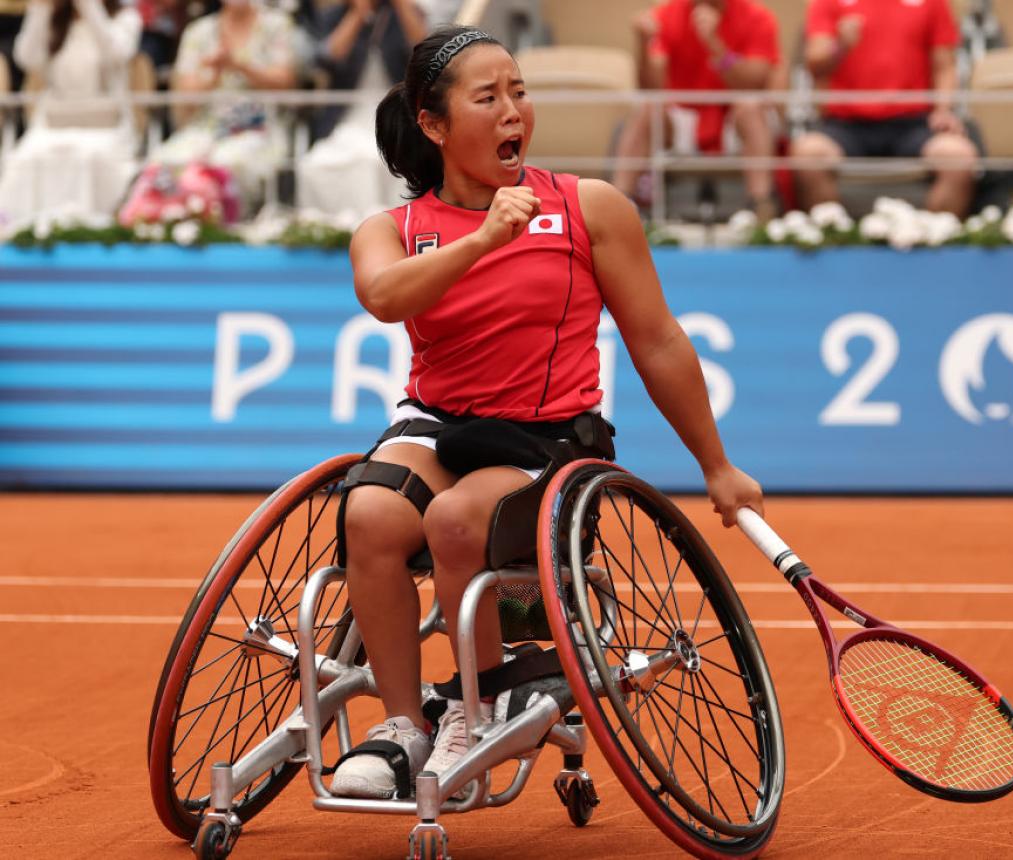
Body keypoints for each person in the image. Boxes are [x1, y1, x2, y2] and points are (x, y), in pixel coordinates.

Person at [329, 25, 764, 800]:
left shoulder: (587, 206)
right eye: (488, 97)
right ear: (432, 124)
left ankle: (480, 705)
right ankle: (403, 725)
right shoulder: (390, 230)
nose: (512, 113)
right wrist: (487, 236)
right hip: (437, 425)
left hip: (546, 438)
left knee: (457, 523)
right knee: (368, 514)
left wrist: (717, 465)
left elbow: (658, 340)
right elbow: (383, 298)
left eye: (519, 93)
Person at [791, 0, 977, 217]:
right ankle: (835, 238)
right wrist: (839, 46)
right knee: (807, 154)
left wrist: (943, 110)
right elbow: (814, 64)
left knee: (959, 156)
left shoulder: (932, 3)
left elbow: (945, 65)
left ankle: (933, 239)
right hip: (845, 124)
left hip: (913, 123)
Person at [612, 0, 781, 220]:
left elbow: (754, 83)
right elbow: (650, 87)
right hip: (683, 116)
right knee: (648, 109)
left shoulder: (759, 16)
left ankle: (761, 204)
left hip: (734, 118)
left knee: (750, 107)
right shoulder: (666, 13)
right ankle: (619, 203)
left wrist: (714, 43)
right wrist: (643, 44)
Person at [0, 0, 142, 228]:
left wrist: (88, 6)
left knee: (89, 157)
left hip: (104, 125)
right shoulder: (55, 21)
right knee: (26, 158)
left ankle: (88, 232)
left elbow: (115, 53)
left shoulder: (125, 18)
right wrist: (40, 10)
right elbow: (26, 58)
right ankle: (29, 233)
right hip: (53, 123)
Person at [149, 0, 297, 215]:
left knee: (225, 163)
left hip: (258, 128)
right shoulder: (198, 31)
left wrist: (239, 65)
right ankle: (178, 223)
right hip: (204, 127)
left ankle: (222, 226)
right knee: (163, 160)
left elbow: (285, 82)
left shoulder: (276, 24)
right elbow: (185, 94)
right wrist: (215, 74)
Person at [295, 0, 426, 216]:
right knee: (313, 164)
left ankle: (381, 227)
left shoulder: (405, 14)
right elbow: (327, 58)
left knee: (372, 160)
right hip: (346, 117)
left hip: (395, 115)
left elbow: (424, 52)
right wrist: (358, 14)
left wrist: (402, 6)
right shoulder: (335, 15)